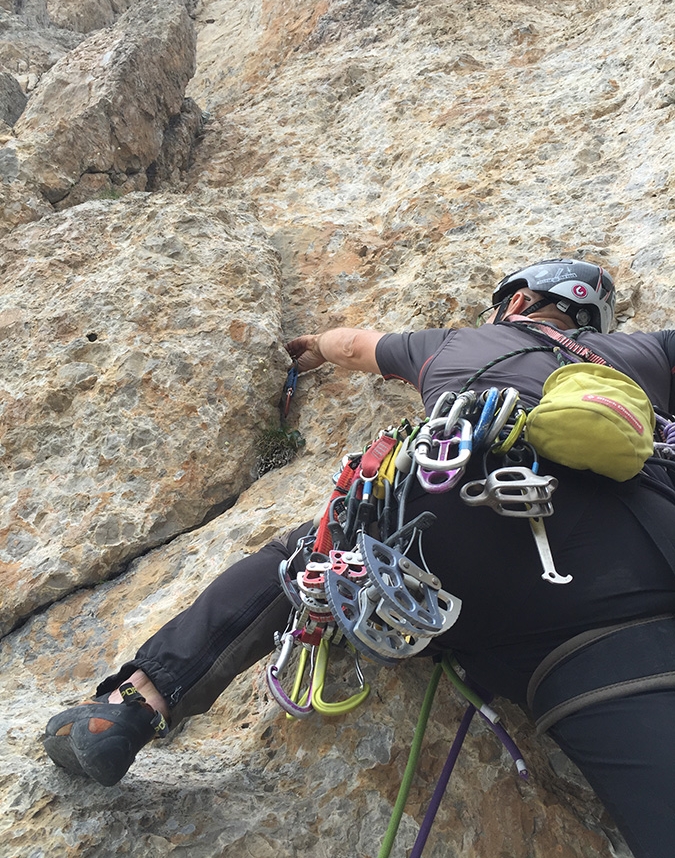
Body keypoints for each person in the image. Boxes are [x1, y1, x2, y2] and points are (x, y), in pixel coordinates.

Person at [43, 258, 675, 858]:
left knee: (305, 557)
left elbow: (354, 346)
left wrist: (315, 346)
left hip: (458, 528)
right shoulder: (643, 355)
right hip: (633, 588)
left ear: (518, 302)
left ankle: (134, 706)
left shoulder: (458, 343)